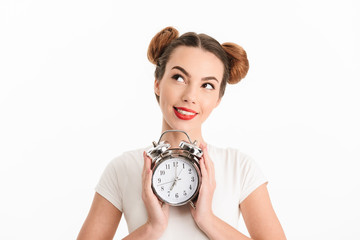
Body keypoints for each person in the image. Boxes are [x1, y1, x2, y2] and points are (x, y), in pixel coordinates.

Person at [77, 26, 286, 240]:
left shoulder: (240, 168)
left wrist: (208, 220)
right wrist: (152, 228)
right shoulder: (123, 168)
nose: (190, 96)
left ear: (218, 100)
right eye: (179, 78)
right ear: (157, 83)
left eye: (207, 85)